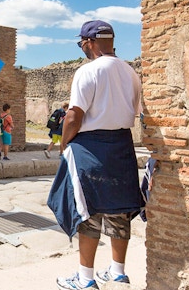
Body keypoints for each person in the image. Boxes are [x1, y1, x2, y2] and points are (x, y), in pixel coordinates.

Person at [47, 20, 143, 290]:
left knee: (87, 213)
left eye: (82, 44)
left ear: (89, 42)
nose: (82, 49)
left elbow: (74, 116)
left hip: (90, 146)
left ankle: (86, 278)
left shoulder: (87, 72)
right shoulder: (131, 72)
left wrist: (65, 143)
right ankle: (118, 272)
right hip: (122, 146)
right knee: (119, 211)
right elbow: (132, 111)